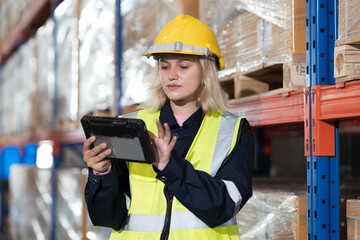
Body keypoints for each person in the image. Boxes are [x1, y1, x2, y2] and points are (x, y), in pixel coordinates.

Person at [83, 15, 254, 240]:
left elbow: (224, 206)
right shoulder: (130, 126)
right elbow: (108, 217)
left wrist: (167, 165)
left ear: (206, 72)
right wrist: (101, 172)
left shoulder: (233, 131)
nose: (172, 75)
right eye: (165, 66)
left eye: (183, 66)